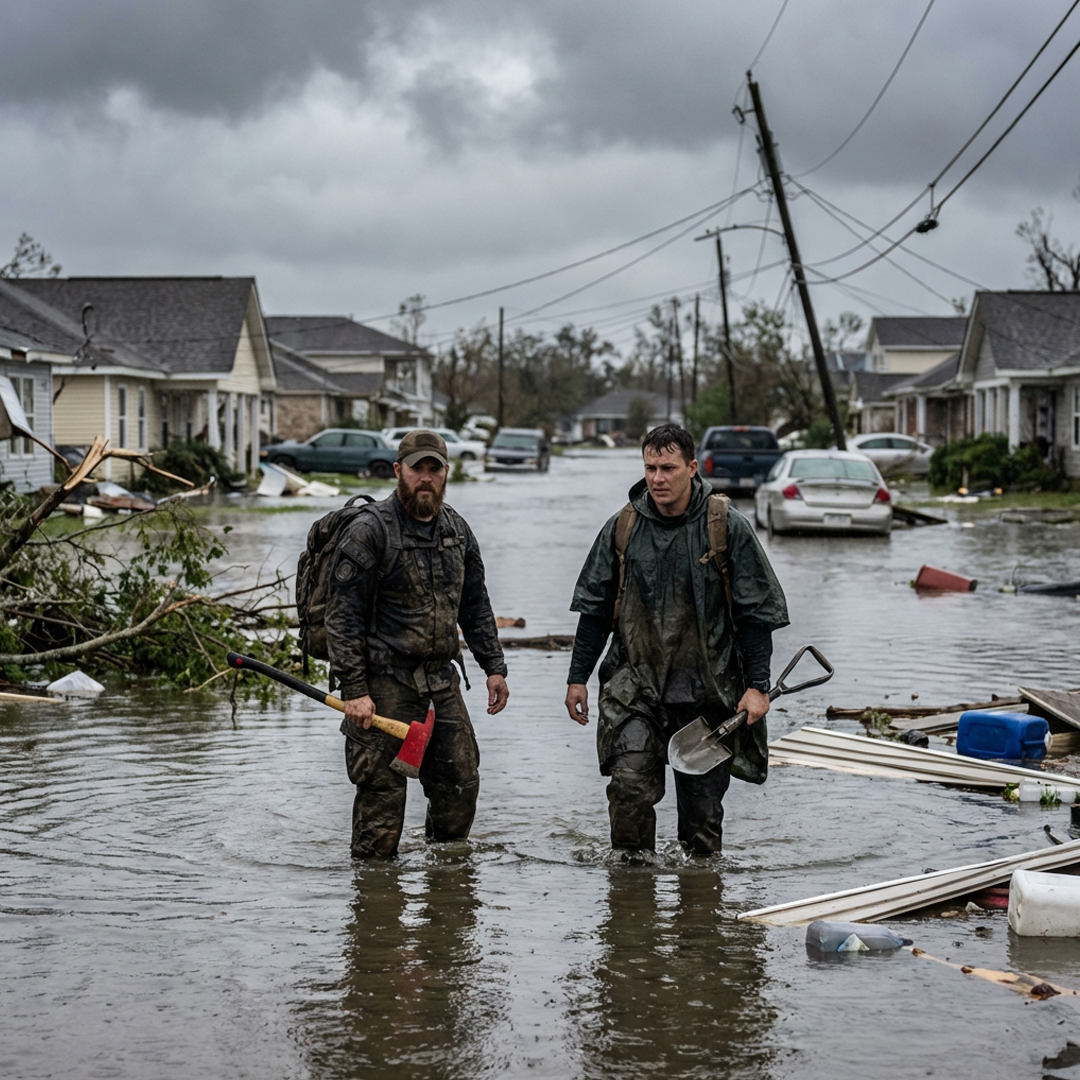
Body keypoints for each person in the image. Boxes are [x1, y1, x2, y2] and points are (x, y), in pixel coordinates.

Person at [564, 423, 788, 855]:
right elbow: (594, 611)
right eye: (649, 468)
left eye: (667, 468)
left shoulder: (726, 527)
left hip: (708, 696)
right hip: (635, 691)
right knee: (628, 791)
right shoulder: (624, 527)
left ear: (692, 468)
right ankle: (631, 900)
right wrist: (578, 677)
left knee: (701, 828)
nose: (657, 478)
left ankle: (699, 912)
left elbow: (756, 616)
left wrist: (758, 687)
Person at [325, 428, 509, 858]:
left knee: (461, 783)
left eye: (434, 469)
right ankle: (376, 907)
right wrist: (354, 690)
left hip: (440, 682)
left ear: (446, 473)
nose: (425, 478)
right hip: (383, 684)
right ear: (398, 471)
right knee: (381, 805)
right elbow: (342, 618)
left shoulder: (458, 531)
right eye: (416, 469)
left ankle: (443, 894)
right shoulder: (370, 532)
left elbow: (476, 604)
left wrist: (494, 667)